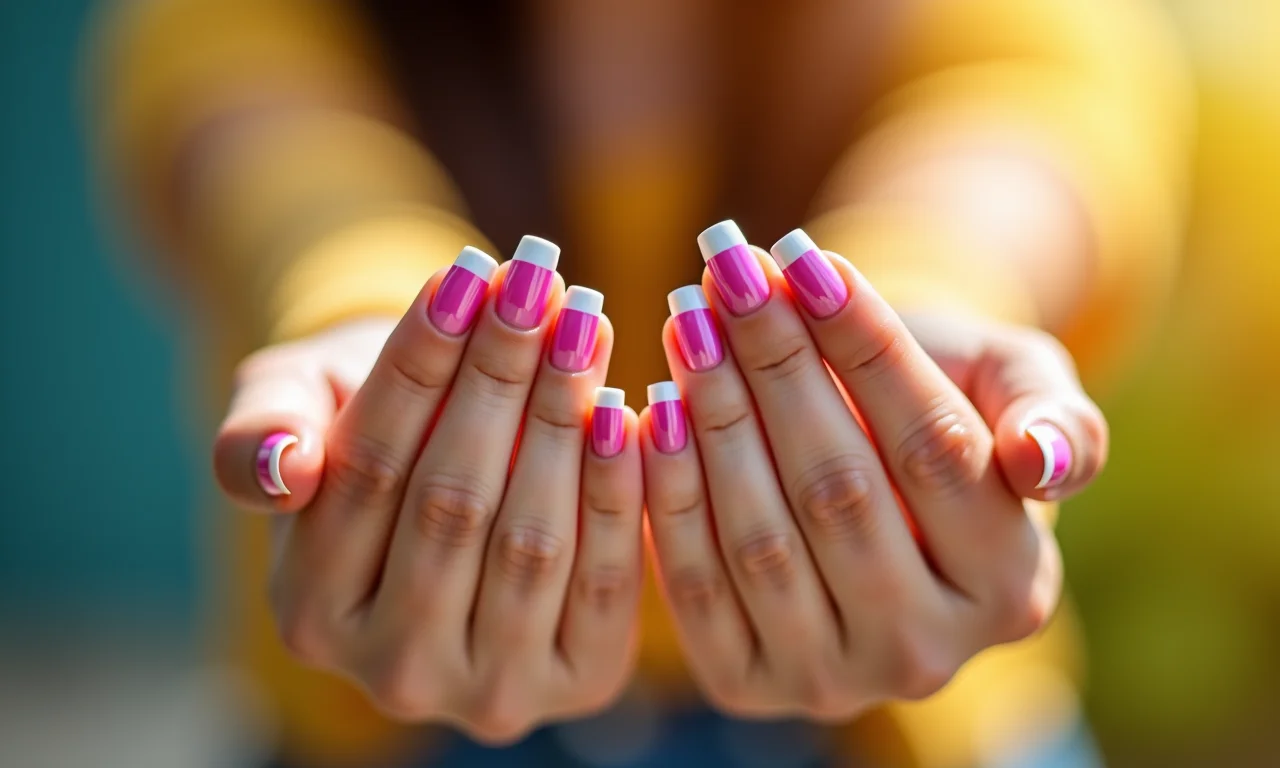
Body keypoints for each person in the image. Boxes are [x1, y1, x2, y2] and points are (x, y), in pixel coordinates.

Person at [89, 0, 1192, 766]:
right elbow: (296, 180)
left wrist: (900, 325)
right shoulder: (235, 22)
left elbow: (1021, 119)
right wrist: (373, 331)